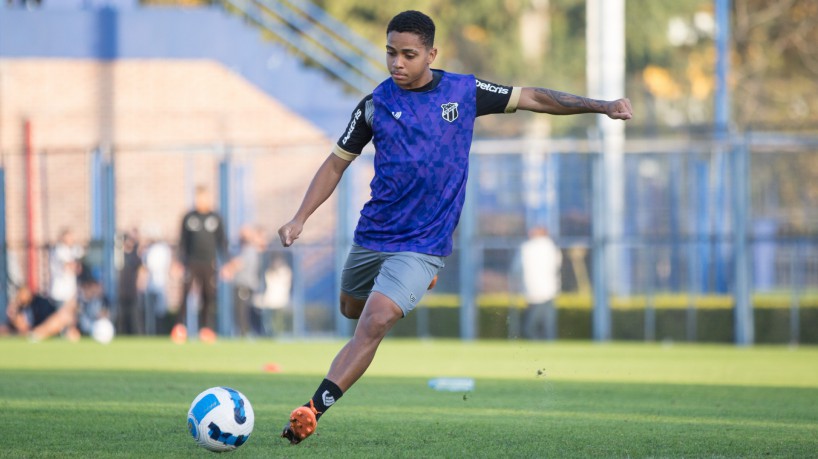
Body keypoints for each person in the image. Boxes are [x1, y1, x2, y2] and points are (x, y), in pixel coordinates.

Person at [276, 10, 633, 444]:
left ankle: (311, 410)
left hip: (424, 241)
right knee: (350, 310)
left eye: (408, 54)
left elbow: (534, 97)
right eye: (390, 53)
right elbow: (335, 165)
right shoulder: (374, 104)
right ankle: (411, 282)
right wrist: (299, 217)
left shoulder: (465, 91)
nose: (397, 63)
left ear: (431, 53)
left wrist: (602, 106)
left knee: (374, 321)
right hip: (374, 233)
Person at [173, 185, 227, 343]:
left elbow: (222, 242)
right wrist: (178, 262)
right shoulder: (189, 217)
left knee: (208, 295)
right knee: (185, 293)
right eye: (198, 197)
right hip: (191, 263)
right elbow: (182, 242)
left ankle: (206, 329)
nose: (200, 201)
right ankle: (178, 327)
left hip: (209, 263)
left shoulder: (215, 218)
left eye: (203, 197)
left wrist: (225, 264)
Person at [520, 226, 562, 340]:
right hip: (549, 291)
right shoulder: (551, 247)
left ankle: (538, 348)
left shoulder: (528, 248)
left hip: (536, 292)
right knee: (548, 327)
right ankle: (546, 348)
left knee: (530, 328)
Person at [222, 225, 262, 338]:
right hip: (242, 285)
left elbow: (239, 263)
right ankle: (242, 332)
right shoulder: (244, 249)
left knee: (242, 312)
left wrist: (228, 269)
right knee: (239, 311)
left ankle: (244, 333)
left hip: (244, 285)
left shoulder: (249, 249)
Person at [117, 228, 144, 335]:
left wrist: (140, 284)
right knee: (121, 316)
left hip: (132, 290)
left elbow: (142, 270)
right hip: (122, 290)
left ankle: (138, 334)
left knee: (135, 315)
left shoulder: (135, 256)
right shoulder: (120, 255)